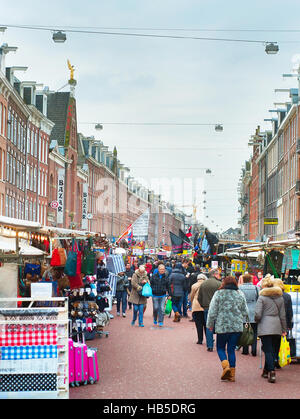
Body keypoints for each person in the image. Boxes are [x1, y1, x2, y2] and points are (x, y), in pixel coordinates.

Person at [206, 276, 249, 382]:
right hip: (236, 327)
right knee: (231, 350)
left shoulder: (219, 294)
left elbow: (212, 311)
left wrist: (210, 324)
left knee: (220, 348)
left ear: (224, 283)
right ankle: (232, 375)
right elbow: (246, 312)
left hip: (222, 326)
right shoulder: (240, 294)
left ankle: (226, 367)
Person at [254, 276, 287, 383]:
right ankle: (265, 370)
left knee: (267, 350)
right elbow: (282, 315)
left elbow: (258, 314)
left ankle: (272, 372)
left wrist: (257, 320)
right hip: (277, 326)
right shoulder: (280, 298)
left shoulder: (262, 298)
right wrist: (284, 328)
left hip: (265, 326)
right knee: (272, 350)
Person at [197, 268, 222, 351]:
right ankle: (219, 345)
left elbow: (199, 297)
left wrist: (203, 305)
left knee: (209, 326)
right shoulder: (219, 284)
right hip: (218, 308)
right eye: (219, 274)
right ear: (215, 274)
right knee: (219, 326)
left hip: (207, 307)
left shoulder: (203, 284)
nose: (220, 276)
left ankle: (210, 345)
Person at [272, 278, 293, 368]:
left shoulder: (270, 295)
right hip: (283, 322)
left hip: (272, 321)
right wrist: (289, 324)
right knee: (278, 342)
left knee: (271, 342)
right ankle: (277, 359)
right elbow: (289, 312)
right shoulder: (287, 296)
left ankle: (272, 359)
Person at [238, 273, 259, 356]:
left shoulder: (240, 288)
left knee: (245, 331)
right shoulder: (256, 288)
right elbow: (259, 299)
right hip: (254, 311)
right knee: (254, 331)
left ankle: (245, 349)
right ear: (251, 280)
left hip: (244, 312)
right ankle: (254, 350)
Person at [190, 273, 207, 344]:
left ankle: (200, 340)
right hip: (205, 306)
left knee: (198, 324)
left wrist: (192, 303)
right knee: (206, 324)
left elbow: (192, 296)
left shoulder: (194, 285)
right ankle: (209, 338)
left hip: (196, 306)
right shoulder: (207, 285)